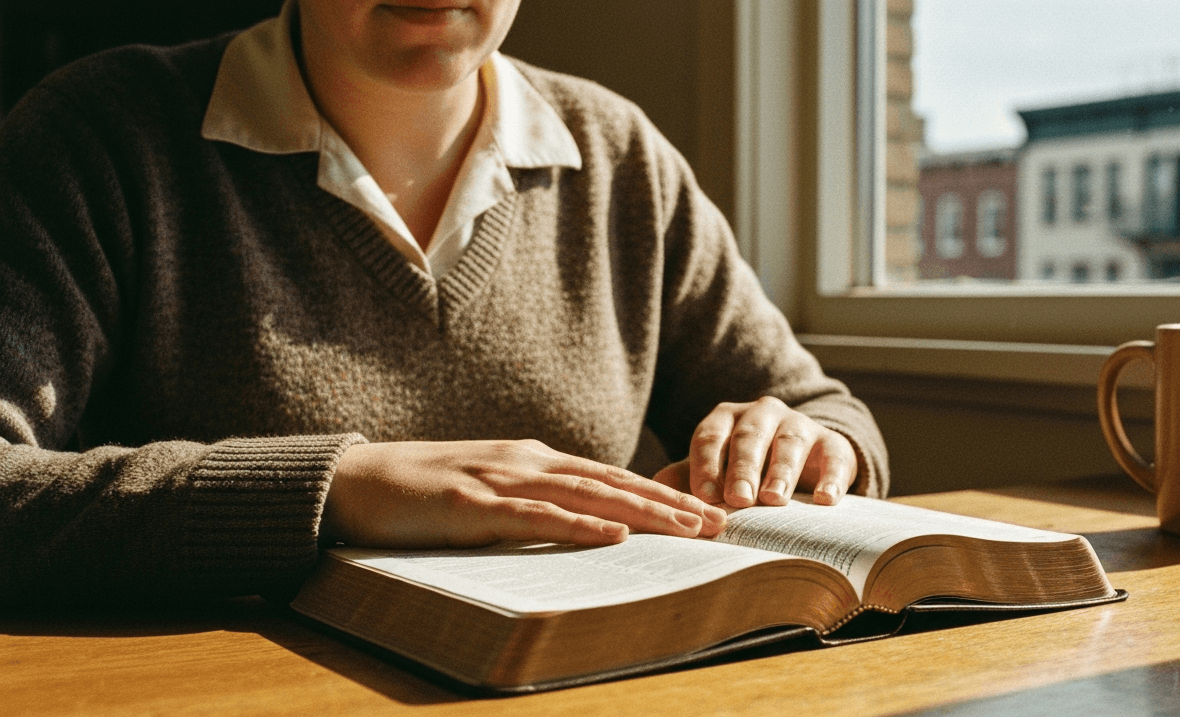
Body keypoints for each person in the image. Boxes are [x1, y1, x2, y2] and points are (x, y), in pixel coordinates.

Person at [0, 0, 888, 607]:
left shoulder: (617, 154)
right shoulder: (98, 136)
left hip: (589, 710)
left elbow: (817, 405)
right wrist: (338, 488)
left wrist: (815, 442)